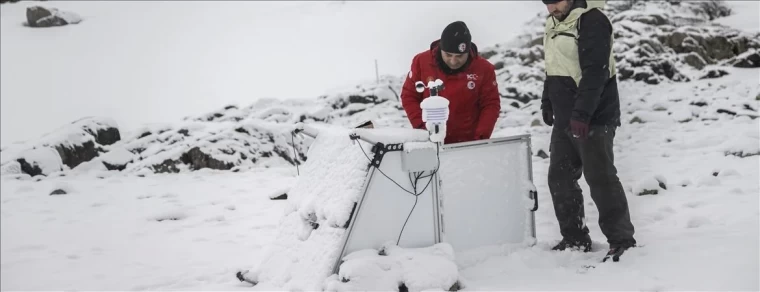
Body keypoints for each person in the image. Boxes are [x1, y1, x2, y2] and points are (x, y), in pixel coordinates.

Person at [540, 0, 637, 260]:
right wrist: (547, 101)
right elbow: (553, 66)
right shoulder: (554, 22)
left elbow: (596, 72)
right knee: (560, 179)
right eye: (546, 2)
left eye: (555, 1)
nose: (551, 8)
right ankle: (575, 238)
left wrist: (582, 115)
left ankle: (622, 240)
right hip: (565, 118)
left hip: (593, 118)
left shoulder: (592, 20)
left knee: (600, 178)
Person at [400, 21, 501, 144]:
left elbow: (491, 104)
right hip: (430, 141)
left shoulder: (484, 69)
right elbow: (409, 96)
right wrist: (423, 129)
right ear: (441, 48)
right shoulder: (421, 62)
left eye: (459, 56)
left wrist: (480, 139)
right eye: (448, 55)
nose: (453, 61)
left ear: (468, 52)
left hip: (468, 143)